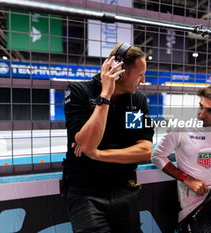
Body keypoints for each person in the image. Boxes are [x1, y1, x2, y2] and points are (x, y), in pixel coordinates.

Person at [62, 42, 154, 233]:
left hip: (125, 190)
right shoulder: (80, 91)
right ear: (119, 72)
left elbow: (145, 151)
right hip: (86, 194)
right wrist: (105, 95)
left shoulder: (137, 101)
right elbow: (87, 142)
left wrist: (97, 154)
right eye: (139, 75)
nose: (143, 80)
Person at [152, 83, 211, 233]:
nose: (201, 114)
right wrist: (186, 179)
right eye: (201, 106)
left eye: (210, 111)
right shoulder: (180, 126)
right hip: (191, 205)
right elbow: (157, 156)